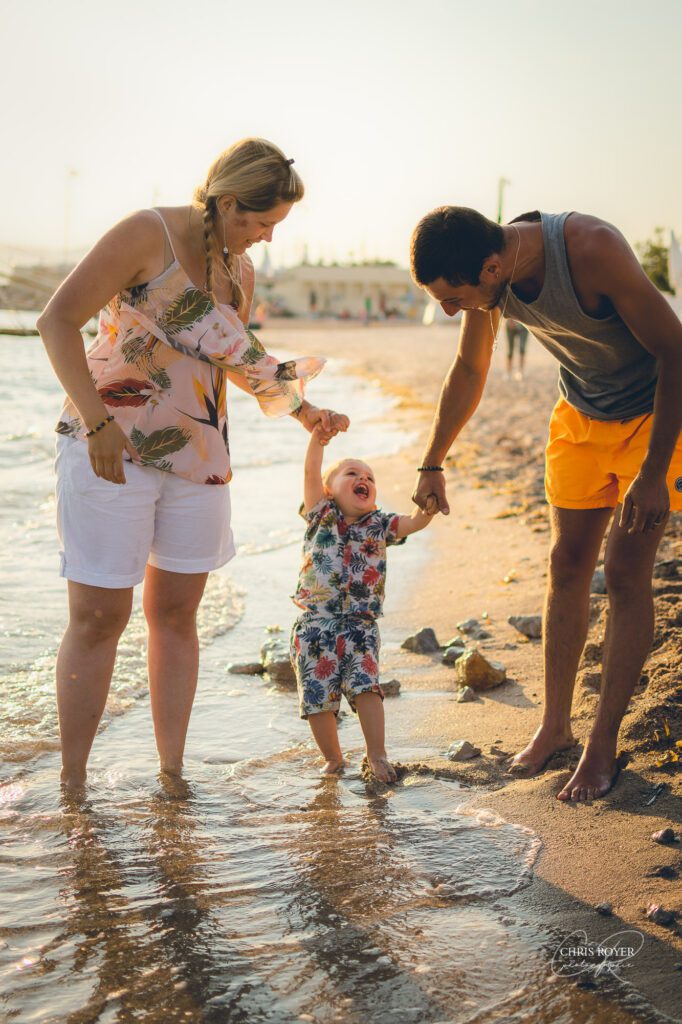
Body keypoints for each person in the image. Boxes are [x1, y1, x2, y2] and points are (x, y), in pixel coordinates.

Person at [37, 138, 349, 790]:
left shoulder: (240, 271)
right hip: (110, 447)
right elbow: (56, 321)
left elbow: (229, 360)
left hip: (200, 458)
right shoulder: (144, 232)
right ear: (229, 203)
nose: (267, 237)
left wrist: (305, 412)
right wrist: (97, 423)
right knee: (99, 618)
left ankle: (171, 775)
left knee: (177, 616)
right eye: (262, 222)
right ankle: (73, 785)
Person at [409, 206, 682, 802]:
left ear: (491, 268)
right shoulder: (490, 271)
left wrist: (654, 474)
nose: (451, 311)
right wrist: (433, 461)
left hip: (653, 418)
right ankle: (556, 726)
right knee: (566, 565)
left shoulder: (591, 248)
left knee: (626, 572)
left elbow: (676, 352)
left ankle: (602, 743)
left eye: (453, 299)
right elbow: (469, 366)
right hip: (581, 415)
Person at [290, 425, 433, 782]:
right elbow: (310, 472)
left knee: (367, 687)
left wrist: (428, 509)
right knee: (317, 698)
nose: (363, 479)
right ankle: (333, 758)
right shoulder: (320, 514)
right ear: (329, 490)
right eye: (352, 473)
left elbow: (413, 523)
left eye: (369, 477)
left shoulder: (380, 524)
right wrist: (318, 439)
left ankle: (377, 754)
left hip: (361, 625)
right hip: (314, 624)